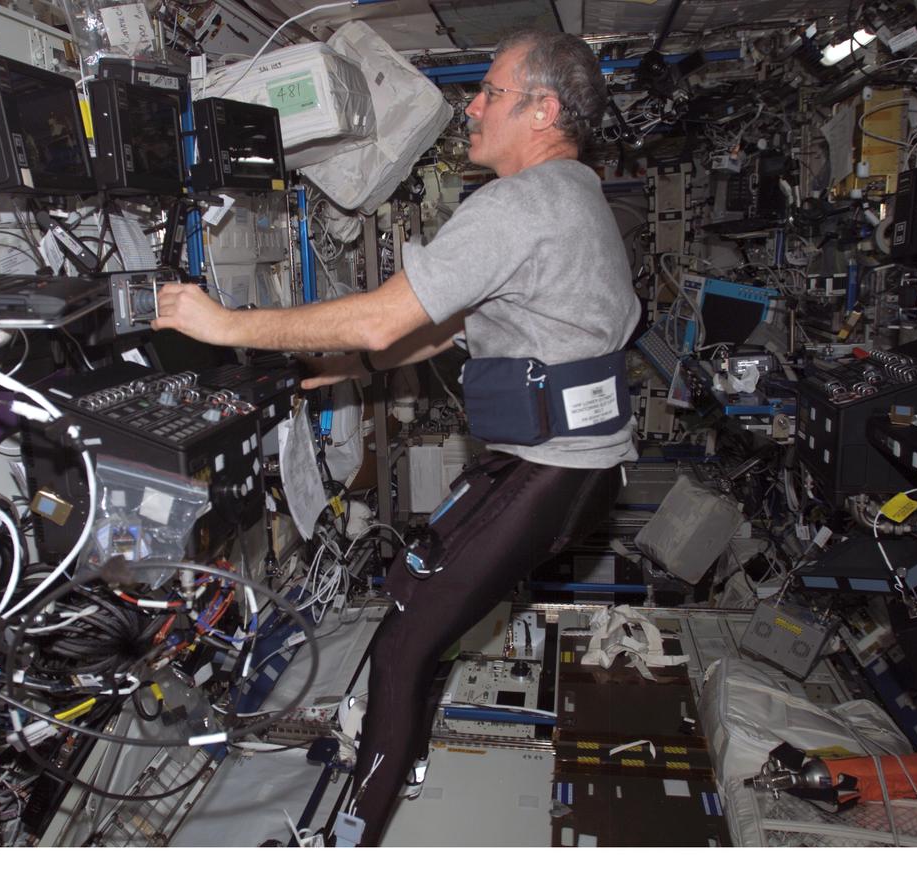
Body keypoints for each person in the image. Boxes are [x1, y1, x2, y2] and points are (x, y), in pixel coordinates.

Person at [152, 29, 640, 845]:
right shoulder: (577, 194)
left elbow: (385, 318)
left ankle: (347, 838)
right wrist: (346, 368)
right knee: (415, 581)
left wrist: (224, 321)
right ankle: (395, 749)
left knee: (400, 646)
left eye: (490, 92)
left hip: (550, 470)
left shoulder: (519, 204)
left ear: (544, 110)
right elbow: (439, 333)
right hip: (568, 470)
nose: (471, 106)